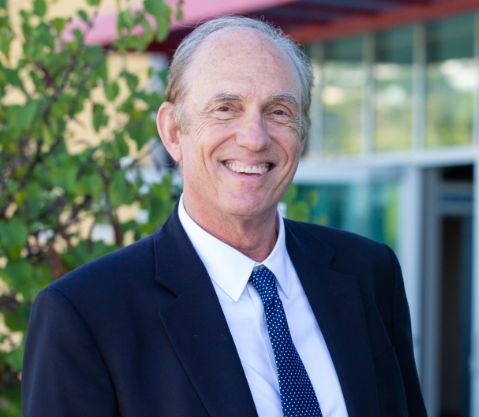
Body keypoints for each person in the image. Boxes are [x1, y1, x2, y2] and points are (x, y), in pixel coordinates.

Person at [22, 16, 427, 417]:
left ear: (302, 132)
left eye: (279, 111)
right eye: (225, 108)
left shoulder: (368, 273)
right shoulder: (87, 314)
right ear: (173, 131)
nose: (254, 138)